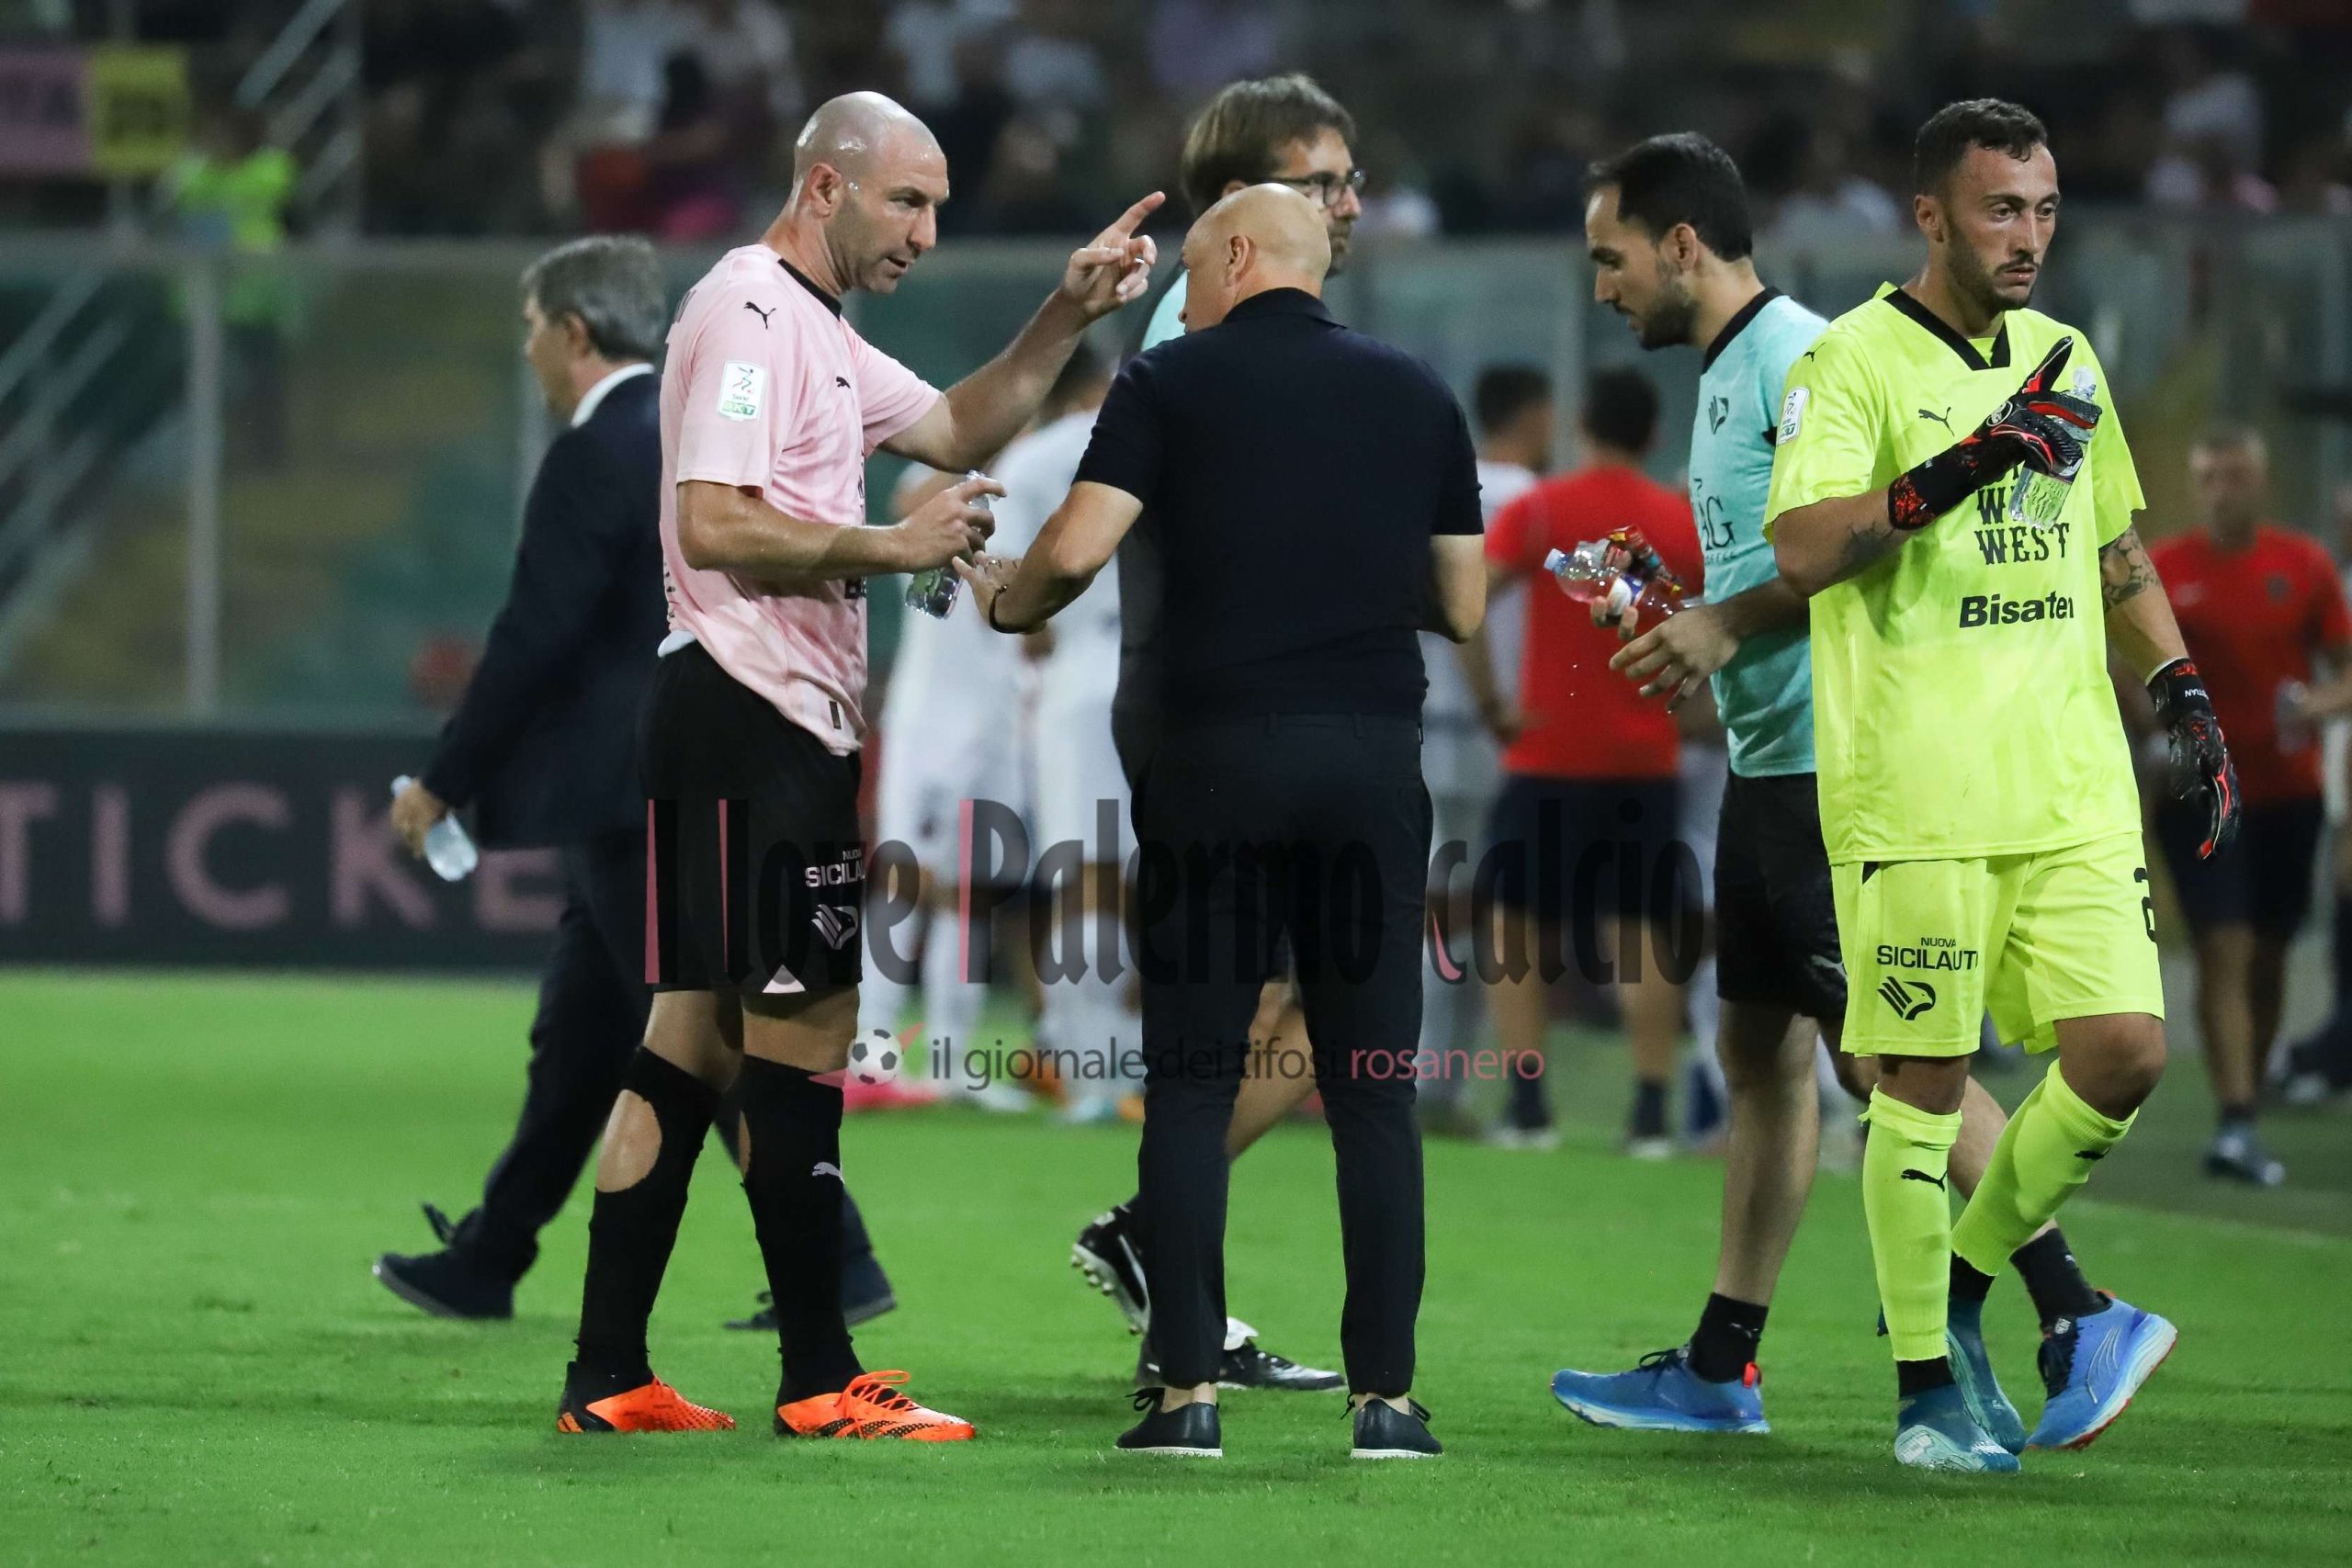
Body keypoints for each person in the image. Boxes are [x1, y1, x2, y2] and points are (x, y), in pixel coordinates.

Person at [553, 91, 1159, 1439]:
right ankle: (823, 1373)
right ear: (824, 186)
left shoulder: (819, 327)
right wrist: (894, 550)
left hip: (756, 718)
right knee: (804, 1040)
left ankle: (608, 1373)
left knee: (689, 1039)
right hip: (749, 713)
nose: (927, 232)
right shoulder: (752, 315)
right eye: (907, 201)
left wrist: (1069, 313)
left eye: (938, 206)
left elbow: (954, 425)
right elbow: (714, 522)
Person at [1544, 133, 2131, 1443]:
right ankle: (1719, 1361)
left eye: (1611, 255)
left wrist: (1727, 624)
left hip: (1839, 765)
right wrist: (1690, 620)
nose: (1602, 284)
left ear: (1681, 244)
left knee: (1890, 1057)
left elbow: (1861, 553)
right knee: (1756, 1049)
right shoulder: (1730, 369)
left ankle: (2073, 1306)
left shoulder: (1809, 357)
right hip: (1769, 762)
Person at [961, 183, 1485, 1461]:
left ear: (1239, 256)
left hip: (1213, 761)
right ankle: (1390, 1404)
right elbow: (1464, 604)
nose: (1182, 300)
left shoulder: (1169, 385)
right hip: (1369, 756)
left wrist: (1002, 596)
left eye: (1192, 272)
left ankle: (1187, 1394)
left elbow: (1076, 553)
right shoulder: (1417, 390)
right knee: (1372, 1088)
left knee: (1191, 1084)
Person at [1767, 99, 2234, 1472]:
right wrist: (1958, 469)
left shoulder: (2066, 358)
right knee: (1919, 1075)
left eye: (2041, 208)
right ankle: (1925, 1387)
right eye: (1997, 210)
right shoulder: (1848, 363)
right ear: (1931, 215)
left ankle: (1962, 1287)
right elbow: (1801, 552)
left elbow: (2118, 553)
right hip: (1915, 788)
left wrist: (2183, 693)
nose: (2027, 237)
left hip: (2073, 781)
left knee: (2125, 1053)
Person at [376, 236, 891, 1329]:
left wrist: (444, 777)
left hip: (627, 791)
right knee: (580, 1034)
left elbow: (535, 634)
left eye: (530, 330)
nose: (528, 352)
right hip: (688, 767)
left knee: (703, 1036)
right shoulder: (690, 419)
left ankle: (837, 1261)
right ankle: (493, 1253)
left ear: (571, 332)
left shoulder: (596, 444)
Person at [1066, 70, 1369, 1393]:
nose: (1348, 203)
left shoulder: (1212, 353)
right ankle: (1156, 1253)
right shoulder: (1200, 363)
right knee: (1290, 1011)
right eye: (1323, 180)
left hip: (1230, 715)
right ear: (1246, 203)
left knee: (1271, 1013)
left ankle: (1173, 1289)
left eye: (1349, 178)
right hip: (1219, 720)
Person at [1459, 367, 1701, 1155]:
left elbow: (1470, 601)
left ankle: (1530, 1107)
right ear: (1654, 434)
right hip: (1646, 761)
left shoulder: (1543, 510)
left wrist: (1494, 704)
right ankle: (1650, 1110)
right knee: (1641, 935)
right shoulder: (1677, 522)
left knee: (1516, 928)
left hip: (1547, 757)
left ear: (1583, 426)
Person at [2146, 427, 2352, 1186]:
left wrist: (2315, 705)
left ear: (2260, 481)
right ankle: (2235, 1118)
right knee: (2222, 947)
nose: (2221, 490)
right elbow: (2125, 663)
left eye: (2234, 476)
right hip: (2201, 794)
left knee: (2267, 956)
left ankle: (2247, 1101)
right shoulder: (2167, 568)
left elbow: (2345, 669)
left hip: (2288, 793)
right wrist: (2155, 733)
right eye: (2208, 477)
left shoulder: (2302, 565)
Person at [977, 344, 1145, 1124]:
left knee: (1086, 874)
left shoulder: (1040, 453)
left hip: (1081, 673)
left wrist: (1028, 624)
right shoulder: (1163, 436)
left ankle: (1090, 1071)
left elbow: (999, 575)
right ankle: (1140, 1064)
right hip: (1165, 667)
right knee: (1160, 874)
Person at [1418, 365, 1550, 1130]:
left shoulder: (1441, 493)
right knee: (1489, 909)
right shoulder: (1535, 500)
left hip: (1437, 717)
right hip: (1515, 729)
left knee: (1444, 902)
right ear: (1531, 414)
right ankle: (1446, 1077)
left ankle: (1434, 1075)